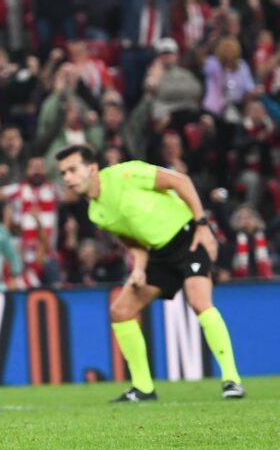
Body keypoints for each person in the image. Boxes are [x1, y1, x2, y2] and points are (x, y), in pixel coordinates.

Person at [55, 144, 245, 401]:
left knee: (199, 301)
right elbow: (133, 242)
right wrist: (139, 268)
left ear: (91, 168)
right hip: (159, 254)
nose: (67, 178)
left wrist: (202, 225)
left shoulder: (126, 173)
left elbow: (181, 181)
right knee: (120, 311)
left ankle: (232, 380)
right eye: (63, 173)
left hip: (189, 238)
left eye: (72, 170)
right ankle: (143, 388)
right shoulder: (96, 212)